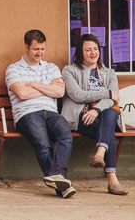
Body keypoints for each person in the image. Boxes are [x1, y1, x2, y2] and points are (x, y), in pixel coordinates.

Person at [5, 29, 75, 198]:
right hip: (27, 114)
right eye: (36, 49)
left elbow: (59, 92)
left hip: (50, 112)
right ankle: (62, 185)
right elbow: (22, 94)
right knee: (43, 144)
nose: (40, 53)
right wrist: (47, 89)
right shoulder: (13, 69)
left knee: (65, 136)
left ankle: (57, 178)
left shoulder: (51, 67)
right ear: (26, 47)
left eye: (43, 49)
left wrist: (34, 85)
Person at [61, 33, 127, 195]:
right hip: (81, 116)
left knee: (110, 114)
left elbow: (113, 100)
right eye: (88, 50)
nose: (93, 53)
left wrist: (96, 109)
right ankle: (112, 180)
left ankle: (100, 152)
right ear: (80, 52)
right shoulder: (70, 71)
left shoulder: (109, 73)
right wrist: (108, 94)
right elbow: (78, 95)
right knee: (109, 130)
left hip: (100, 116)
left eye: (96, 49)